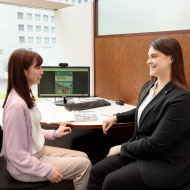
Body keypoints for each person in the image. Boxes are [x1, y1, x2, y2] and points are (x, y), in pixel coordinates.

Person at [87, 37, 190, 190]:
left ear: (171, 58)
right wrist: (116, 117)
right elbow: (145, 109)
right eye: (148, 57)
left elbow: (157, 143)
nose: (148, 61)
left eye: (154, 56)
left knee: (112, 182)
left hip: (164, 162)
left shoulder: (181, 99)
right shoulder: (149, 87)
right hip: (142, 151)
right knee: (96, 172)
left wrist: (121, 148)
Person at [2, 49, 91, 190]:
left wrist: (55, 134)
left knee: (84, 156)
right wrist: (47, 170)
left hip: (37, 152)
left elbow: (31, 130)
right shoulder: (16, 106)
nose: (42, 72)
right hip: (23, 168)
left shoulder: (25, 96)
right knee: (84, 165)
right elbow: (16, 155)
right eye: (38, 68)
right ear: (24, 71)